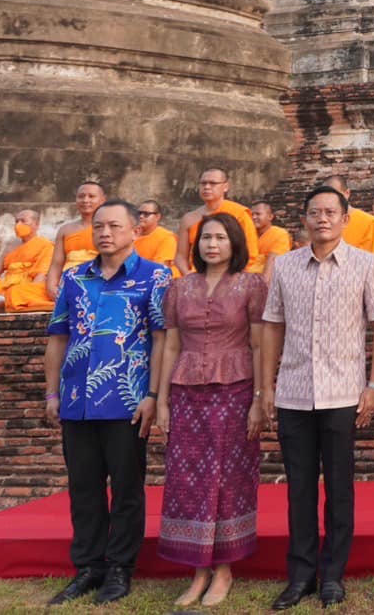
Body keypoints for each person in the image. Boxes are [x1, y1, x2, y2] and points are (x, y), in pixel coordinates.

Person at [261, 185, 374, 610]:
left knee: (339, 489)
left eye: (330, 212)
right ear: (303, 219)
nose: (322, 218)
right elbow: (272, 327)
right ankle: (300, 575)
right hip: (294, 393)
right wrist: (267, 386)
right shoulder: (285, 266)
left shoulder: (365, 264)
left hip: (343, 394)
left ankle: (333, 575)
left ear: (345, 218)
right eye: (314, 212)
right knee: (298, 489)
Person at [42, 199, 170, 606]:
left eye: (114, 226)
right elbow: (58, 336)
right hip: (77, 400)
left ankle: (119, 569)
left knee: (127, 489)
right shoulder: (76, 277)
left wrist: (153, 395)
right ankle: (88, 568)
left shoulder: (155, 277)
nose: (104, 233)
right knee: (83, 488)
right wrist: (51, 393)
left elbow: (164, 340)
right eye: (98, 226)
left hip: (127, 400)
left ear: (136, 230)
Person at [155, 212, 267, 607]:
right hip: (187, 393)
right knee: (188, 480)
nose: (212, 245)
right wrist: (163, 401)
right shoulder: (179, 289)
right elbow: (170, 346)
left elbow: (258, 345)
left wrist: (259, 400)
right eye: (205, 238)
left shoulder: (252, 285)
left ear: (235, 243)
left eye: (220, 238)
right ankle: (198, 569)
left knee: (228, 479)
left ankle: (223, 570)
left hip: (235, 391)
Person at [176, 169, 261, 274]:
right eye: (203, 183)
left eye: (213, 183)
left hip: (231, 277)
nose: (207, 187)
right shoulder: (188, 218)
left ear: (225, 187)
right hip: (197, 276)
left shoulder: (239, 214)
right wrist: (189, 277)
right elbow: (180, 257)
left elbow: (250, 253)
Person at [43, 181, 105, 300]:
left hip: (98, 281)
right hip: (68, 282)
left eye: (91, 196)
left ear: (103, 200)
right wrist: (51, 288)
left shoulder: (108, 228)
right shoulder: (65, 230)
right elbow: (56, 265)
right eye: (81, 196)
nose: (85, 200)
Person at [0, 210, 54, 312]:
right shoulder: (10, 247)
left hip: (29, 288)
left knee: (15, 292)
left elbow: (41, 276)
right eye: (16, 221)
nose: (18, 225)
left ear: (36, 224)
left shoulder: (46, 245)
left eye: (23, 221)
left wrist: (26, 292)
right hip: (8, 287)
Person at [321, 176, 374, 270]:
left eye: (335, 194)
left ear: (347, 193)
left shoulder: (369, 223)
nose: (330, 199)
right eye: (325, 195)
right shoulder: (322, 223)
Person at [133, 201, 177, 273]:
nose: (141, 216)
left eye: (146, 214)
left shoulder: (166, 238)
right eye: (139, 213)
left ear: (157, 217)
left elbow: (159, 268)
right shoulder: (130, 234)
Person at [252, 201, 293, 271]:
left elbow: (274, 262)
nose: (253, 217)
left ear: (270, 217)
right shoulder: (247, 234)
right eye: (251, 214)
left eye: (258, 214)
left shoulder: (279, 234)